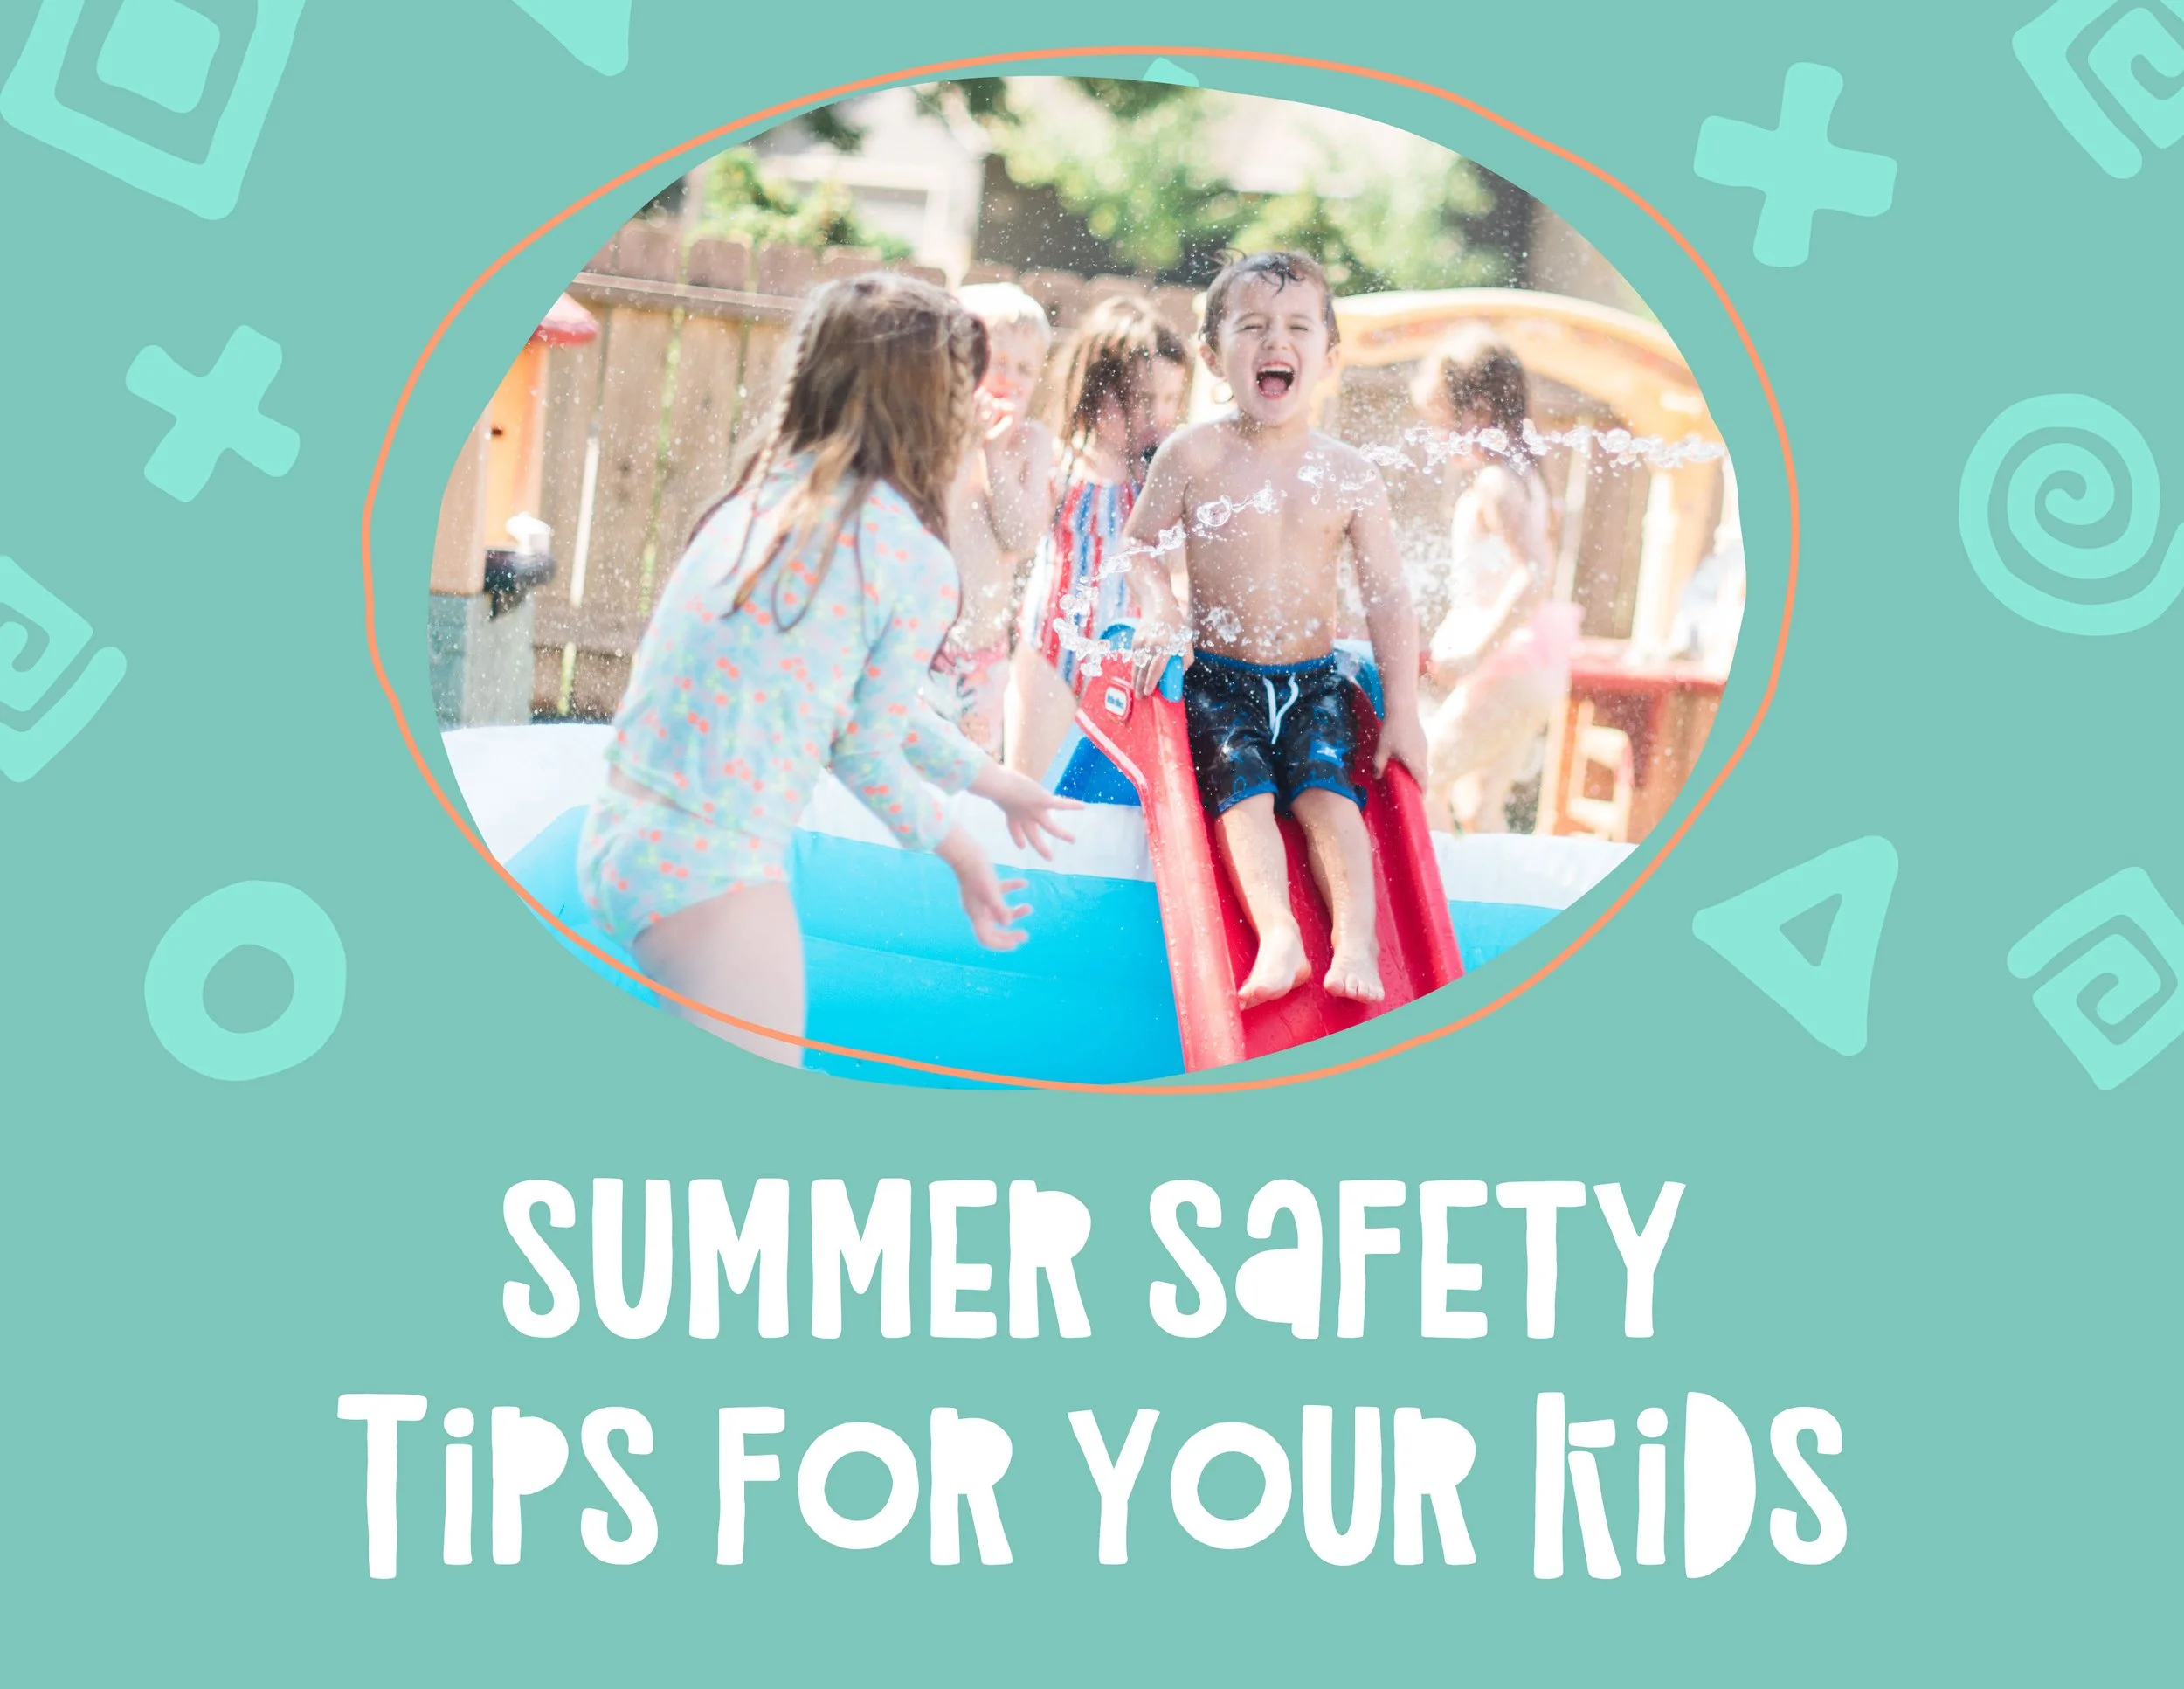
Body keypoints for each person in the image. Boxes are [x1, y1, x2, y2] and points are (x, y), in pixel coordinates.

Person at [577, 273, 1079, 1065]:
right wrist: (964, 850)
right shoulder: (908, 553)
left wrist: (991, 779)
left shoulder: (763, 500)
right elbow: (864, 749)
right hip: (714, 866)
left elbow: (842, 698)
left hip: (620, 835)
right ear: (936, 403)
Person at [1123, 251, 1427, 1007]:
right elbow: (1138, 545)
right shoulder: (1191, 454)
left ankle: (1355, 937)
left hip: (1314, 679)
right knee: (1245, 799)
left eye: (1296, 326)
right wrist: (1160, 611)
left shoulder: (1349, 472)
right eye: (1251, 326)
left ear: (1328, 356)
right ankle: (1280, 937)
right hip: (1221, 681)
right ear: (1210, 354)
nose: (1273, 342)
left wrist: (1408, 713)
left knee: (1331, 799)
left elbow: (1388, 593)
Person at [1004, 296, 1189, 782]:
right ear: (1099, 389)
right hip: (1049, 648)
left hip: (1120, 656)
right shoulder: (1058, 464)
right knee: (1028, 785)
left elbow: (1179, 565)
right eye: (1147, 400)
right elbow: (1017, 538)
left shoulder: (1158, 481)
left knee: (1105, 795)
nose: (1162, 416)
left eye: (1171, 400)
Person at [1411, 327, 1581, 834]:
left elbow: (1536, 574)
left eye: (1441, 424)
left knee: (1418, 778)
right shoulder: (1526, 475)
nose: (1437, 440)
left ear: (1479, 413)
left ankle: (1436, 901)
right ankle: (1488, 904)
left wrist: (1476, 653)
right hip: (1533, 670)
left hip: (1508, 670)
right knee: (1481, 809)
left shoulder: (1495, 483)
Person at [933, 283, 1055, 755]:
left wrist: (993, 453)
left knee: (970, 774)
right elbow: (934, 518)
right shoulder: (941, 433)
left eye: (1025, 369)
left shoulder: (1031, 443)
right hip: (922, 644)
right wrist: (968, 441)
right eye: (999, 364)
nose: (1012, 380)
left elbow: (1019, 537)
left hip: (983, 656)